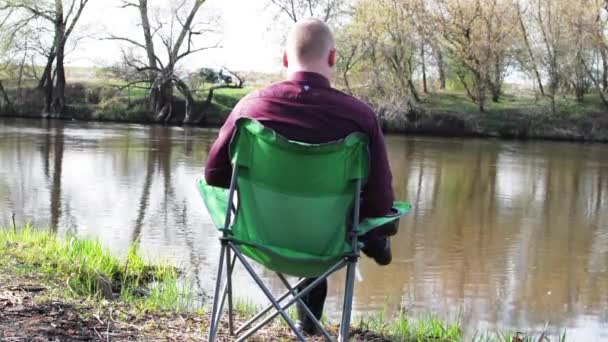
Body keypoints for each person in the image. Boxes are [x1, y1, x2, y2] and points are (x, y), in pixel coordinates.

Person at [204, 18, 398, 335]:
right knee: (361, 216)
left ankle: (298, 321)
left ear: (284, 59)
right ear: (333, 58)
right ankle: (373, 245)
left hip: (257, 239)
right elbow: (379, 203)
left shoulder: (249, 109)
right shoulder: (360, 117)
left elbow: (214, 175)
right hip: (329, 244)